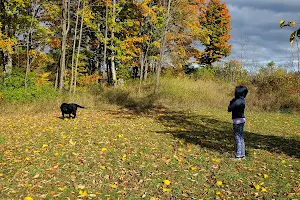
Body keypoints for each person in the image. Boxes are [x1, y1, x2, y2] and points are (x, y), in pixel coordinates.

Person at [228, 85, 248, 160]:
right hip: (242, 120)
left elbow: (229, 109)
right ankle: (243, 155)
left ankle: (238, 155)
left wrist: (231, 102)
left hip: (237, 121)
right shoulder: (242, 100)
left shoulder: (237, 101)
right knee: (241, 137)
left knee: (237, 137)